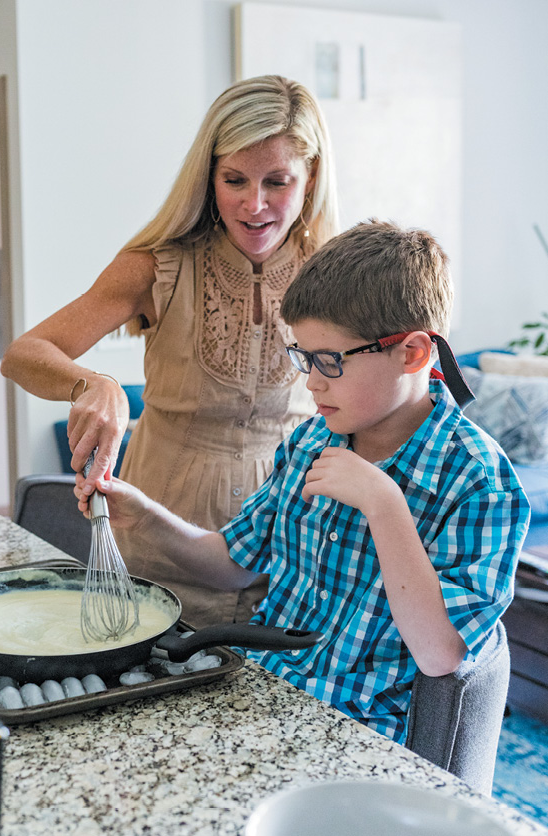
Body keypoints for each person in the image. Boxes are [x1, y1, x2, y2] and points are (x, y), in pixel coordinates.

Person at [78, 220, 530, 742]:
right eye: (303, 358)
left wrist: (384, 505)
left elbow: (441, 654)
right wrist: (143, 514)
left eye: (330, 361)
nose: (311, 382)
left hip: (354, 736)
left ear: (413, 353)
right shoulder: (311, 440)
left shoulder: (479, 483)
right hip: (254, 690)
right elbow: (233, 566)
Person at [1, 74, 339, 626]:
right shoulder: (157, 264)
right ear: (208, 177)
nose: (255, 206)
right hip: (158, 537)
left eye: (277, 181)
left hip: (290, 543)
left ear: (312, 176)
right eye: (235, 180)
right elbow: (25, 353)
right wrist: (94, 384)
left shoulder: (333, 271)